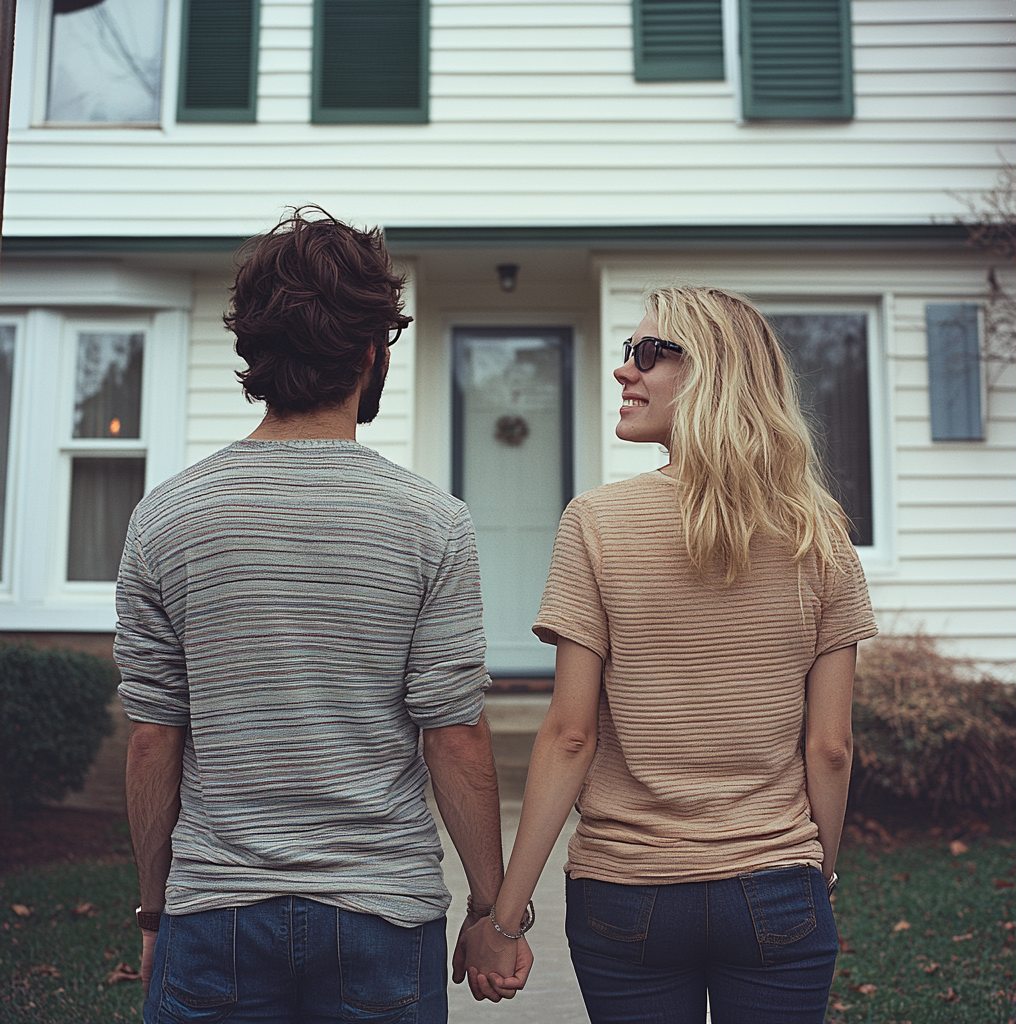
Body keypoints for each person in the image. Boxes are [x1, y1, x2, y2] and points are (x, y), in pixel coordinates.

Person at [115, 207, 529, 1024]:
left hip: (216, 913)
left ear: (252, 350)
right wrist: (491, 910)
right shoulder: (430, 521)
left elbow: (155, 734)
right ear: (374, 352)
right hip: (382, 915)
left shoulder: (164, 518)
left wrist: (157, 912)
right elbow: (453, 733)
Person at [462, 286, 878, 1022]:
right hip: (777, 886)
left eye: (650, 354)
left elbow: (570, 735)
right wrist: (818, 875)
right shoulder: (820, 532)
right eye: (627, 353)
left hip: (628, 894)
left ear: (713, 372)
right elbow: (832, 746)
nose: (626, 370)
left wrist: (502, 919)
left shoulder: (596, 522)